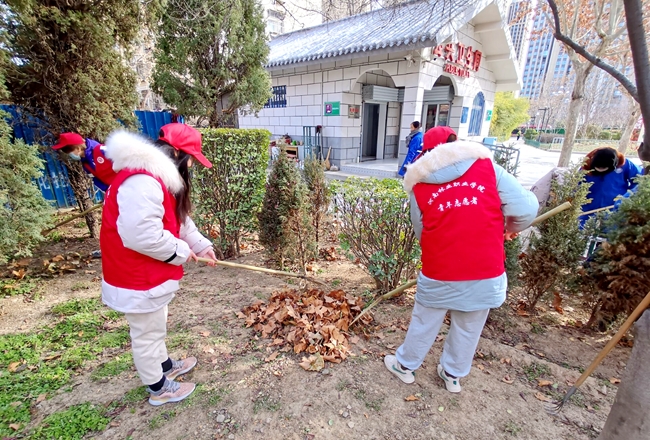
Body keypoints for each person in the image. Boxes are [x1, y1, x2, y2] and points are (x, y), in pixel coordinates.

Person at [384, 135, 538, 393]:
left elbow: (421, 230)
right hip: (485, 268)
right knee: (469, 327)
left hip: (440, 267)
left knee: (424, 322)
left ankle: (405, 366)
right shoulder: (487, 167)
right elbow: (525, 208)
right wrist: (511, 228)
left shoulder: (418, 184)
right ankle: (452, 375)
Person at [100, 123, 218, 406]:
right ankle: (159, 388)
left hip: (149, 273)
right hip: (136, 276)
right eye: (191, 159)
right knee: (146, 334)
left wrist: (200, 245)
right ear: (177, 154)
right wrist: (181, 250)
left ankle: (164, 365)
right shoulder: (142, 182)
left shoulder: (156, 177)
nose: (191, 165)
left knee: (155, 326)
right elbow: (141, 235)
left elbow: (177, 219)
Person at [579, 147, 642, 226]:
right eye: (598, 168)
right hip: (589, 210)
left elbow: (639, 180)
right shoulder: (586, 166)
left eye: (603, 168)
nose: (600, 169)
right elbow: (577, 186)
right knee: (585, 230)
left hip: (615, 209)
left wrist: (628, 197)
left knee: (612, 230)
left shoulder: (625, 164)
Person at [51, 132, 116, 192]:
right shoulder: (86, 164)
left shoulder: (102, 150)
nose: (69, 155)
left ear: (78, 149)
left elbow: (122, 161)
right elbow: (97, 180)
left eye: (68, 152)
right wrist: (110, 193)